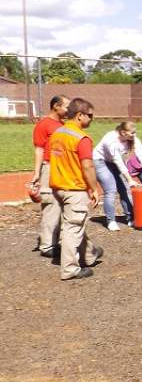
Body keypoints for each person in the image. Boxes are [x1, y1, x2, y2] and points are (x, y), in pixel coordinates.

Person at [48, 97, 103, 280]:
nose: (91, 119)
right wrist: (94, 188)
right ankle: (70, 269)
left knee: (75, 223)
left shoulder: (57, 133)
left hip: (58, 187)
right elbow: (87, 166)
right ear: (80, 115)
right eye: (90, 116)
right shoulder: (82, 138)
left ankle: (89, 255)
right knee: (73, 227)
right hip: (74, 189)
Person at [29, 95, 70, 259]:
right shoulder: (44, 124)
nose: (69, 109)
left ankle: (57, 241)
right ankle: (47, 246)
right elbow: (39, 149)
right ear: (56, 106)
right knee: (51, 205)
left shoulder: (63, 125)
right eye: (66, 106)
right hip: (49, 167)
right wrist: (37, 174)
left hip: (62, 169)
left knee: (62, 205)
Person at [93, 121, 142, 231]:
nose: (135, 135)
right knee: (110, 190)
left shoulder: (130, 140)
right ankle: (111, 221)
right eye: (132, 133)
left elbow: (140, 155)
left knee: (125, 189)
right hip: (100, 161)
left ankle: (130, 218)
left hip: (113, 162)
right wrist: (129, 179)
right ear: (123, 132)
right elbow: (118, 160)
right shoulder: (110, 140)